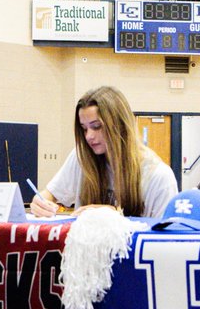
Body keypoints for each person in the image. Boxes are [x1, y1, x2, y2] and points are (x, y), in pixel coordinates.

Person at [30, 85, 178, 218]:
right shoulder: (81, 157)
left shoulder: (158, 176)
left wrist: (111, 215)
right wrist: (40, 202)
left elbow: (163, 236)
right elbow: (49, 194)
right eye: (84, 129)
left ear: (120, 125)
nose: (89, 136)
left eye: (97, 126)